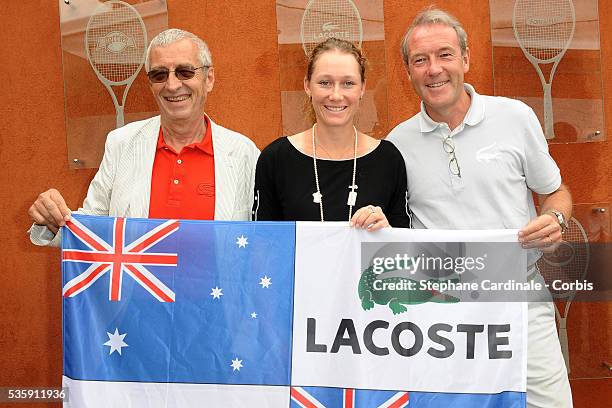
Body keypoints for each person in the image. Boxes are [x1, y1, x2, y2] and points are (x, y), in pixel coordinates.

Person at [387, 8, 573, 407]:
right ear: (408, 71)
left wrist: (556, 219)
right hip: (440, 314)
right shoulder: (396, 144)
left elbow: (557, 192)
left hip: (519, 298)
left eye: (445, 55)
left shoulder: (516, 117)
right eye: (420, 60)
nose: (434, 69)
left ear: (466, 59)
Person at [28, 29, 259, 246]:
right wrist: (52, 219)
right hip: (138, 289)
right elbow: (94, 225)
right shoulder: (122, 143)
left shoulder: (244, 153)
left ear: (209, 79)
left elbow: (262, 238)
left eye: (185, 72)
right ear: (150, 84)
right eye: (159, 75)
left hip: (216, 289)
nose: (172, 84)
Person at [253, 38, 411, 230]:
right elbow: (262, 243)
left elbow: (403, 250)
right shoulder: (275, 159)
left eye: (348, 83)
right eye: (325, 82)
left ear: (362, 88)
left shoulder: (388, 159)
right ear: (307, 85)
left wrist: (387, 233)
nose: (336, 95)